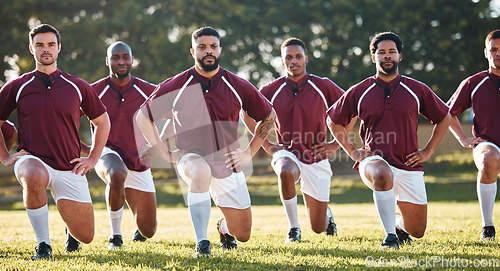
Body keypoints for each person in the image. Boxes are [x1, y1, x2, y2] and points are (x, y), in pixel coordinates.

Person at [136, 26, 275, 258]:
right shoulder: (176, 85)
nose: (208, 51)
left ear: (220, 50)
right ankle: (202, 243)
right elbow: (143, 116)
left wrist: (248, 153)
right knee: (200, 171)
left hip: (227, 159)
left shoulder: (238, 85)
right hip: (191, 157)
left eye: (212, 46)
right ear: (193, 52)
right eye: (202, 47)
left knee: (243, 233)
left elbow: (268, 117)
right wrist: (164, 152)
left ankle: (224, 227)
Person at [327, 32, 451, 249]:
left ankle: (400, 227)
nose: (387, 56)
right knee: (383, 173)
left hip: (408, 164)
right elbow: (333, 120)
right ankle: (390, 236)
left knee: (417, 231)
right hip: (373, 162)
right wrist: (353, 151)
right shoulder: (360, 90)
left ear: (400, 56)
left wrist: (428, 151)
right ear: (373, 57)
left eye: (392, 52)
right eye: (381, 52)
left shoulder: (416, 89)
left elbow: (444, 117)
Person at [0, 24, 110, 259]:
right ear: (32, 48)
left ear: (59, 48)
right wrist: (4, 156)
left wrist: (93, 158)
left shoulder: (78, 86)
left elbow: (103, 121)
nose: (45, 49)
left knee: (86, 236)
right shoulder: (17, 86)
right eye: (39, 45)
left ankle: (70, 229)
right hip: (31, 159)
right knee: (32, 174)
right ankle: (43, 245)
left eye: (51, 44)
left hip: (70, 164)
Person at [242, 38, 353, 243]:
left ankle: (326, 216)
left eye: (298, 56)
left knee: (318, 227)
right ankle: (293, 229)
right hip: (286, 152)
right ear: (282, 61)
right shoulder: (270, 90)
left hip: (317, 156)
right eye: (288, 57)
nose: (294, 61)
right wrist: (265, 143)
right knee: (285, 171)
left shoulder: (323, 86)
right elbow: (246, 113)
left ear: (306, 59)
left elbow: (352, 110)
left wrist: (335, 144)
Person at [78, 41, 158, 250]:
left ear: (132, 60)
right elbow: (64, 119)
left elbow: (174, 115)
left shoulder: (148, 90)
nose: (120, 61)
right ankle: (115, 236)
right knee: (116, 172)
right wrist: (87, 149)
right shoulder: (93, 91)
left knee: (148, 230)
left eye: (125, 57)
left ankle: (132, 209)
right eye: (115, 58)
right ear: (108, 61)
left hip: (138, 160)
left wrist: (158, 144)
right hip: (107, 153)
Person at [447, 29, 500, 241]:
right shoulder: (473, 82)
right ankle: (488, 227)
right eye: (493, 50)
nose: (498, 54)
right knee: (488, 159)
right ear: (486, 53)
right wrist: (463, 138)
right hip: (487, 143)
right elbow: (447, 113)